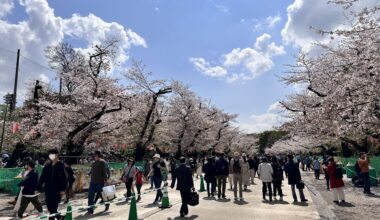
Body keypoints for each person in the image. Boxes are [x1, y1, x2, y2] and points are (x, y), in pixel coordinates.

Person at [38, 149, 68, 220]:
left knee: (54, 206)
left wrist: (63, 189)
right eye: (50, 155)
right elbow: (42, 177)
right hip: (48, 188)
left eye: (53, 154)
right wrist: (39, 187)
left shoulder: (61, 165)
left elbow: (65, 178)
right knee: (49, 206)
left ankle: (53, 218)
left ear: (57, 155)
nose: (51, 156)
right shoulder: (47, 165)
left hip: (57, 189)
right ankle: (60, 217)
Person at [86, 151, 109, 215]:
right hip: (92, 182)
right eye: (94, 155)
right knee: (90, 196)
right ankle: (90, 210)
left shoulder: (102, 162)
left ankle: (107, 204)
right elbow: (91, 170)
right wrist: (88, 174)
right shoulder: (94, 163)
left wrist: (106, 180)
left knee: (102, 195)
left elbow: (104, 172)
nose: (94, 156)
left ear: (98, 155)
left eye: (95, 155)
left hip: (100, 182)